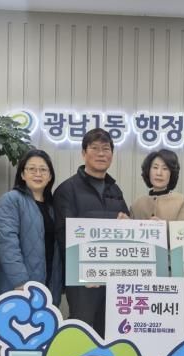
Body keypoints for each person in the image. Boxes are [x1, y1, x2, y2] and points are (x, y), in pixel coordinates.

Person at [54, 128, 129, 337]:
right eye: (94, 148)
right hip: (83, 281)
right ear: (83, 153)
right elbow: (65, 235)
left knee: (111, 332)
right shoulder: (67, 189)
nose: (101, 153)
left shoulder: (115, 190)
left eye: (106, 149)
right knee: (83, 332)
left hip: (114, 279)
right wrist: (85, 271)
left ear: (112, 154)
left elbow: (127, 229)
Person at [0, 149, 62, 304]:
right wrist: (21, 282)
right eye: (31, 169)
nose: (38, 174)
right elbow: (7, 244)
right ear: (22, 174)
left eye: (43, 169)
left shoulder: (53, 206)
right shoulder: (11, 200)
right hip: (19, 287)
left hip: (49, 285)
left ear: (50, 176)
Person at [130, 149, 184, 221]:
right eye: (155, 167)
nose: (159, 173)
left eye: (165, 168)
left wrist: (162, 225)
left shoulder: (181, 201)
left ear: (171, 173)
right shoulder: (137, 204)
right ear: (148, 171)